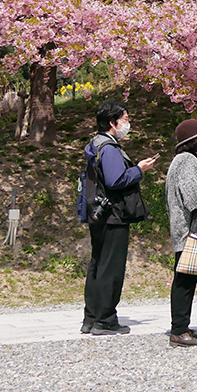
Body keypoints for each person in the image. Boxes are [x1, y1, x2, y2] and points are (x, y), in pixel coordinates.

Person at [82, 100, 157, 336]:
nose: (128, 123)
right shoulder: (110, 148)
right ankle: (105, 319)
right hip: (113, 215)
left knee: (97, 265)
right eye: (125, 119)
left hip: (99, 214)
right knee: (110, 269)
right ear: (112, 123)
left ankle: (91, 316)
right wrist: (139, 170)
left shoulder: (95, 145)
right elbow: (116, 180)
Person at [165, 119, 197, 347]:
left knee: (184, 280)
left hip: (181, 230)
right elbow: (194, 198)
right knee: (184, 281)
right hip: (188, 231)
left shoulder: (179, 161)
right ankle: (179, 329)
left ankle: (181, 324)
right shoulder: (187, 161)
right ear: (194, 141)